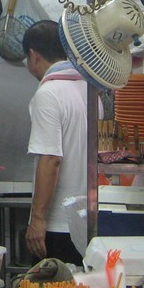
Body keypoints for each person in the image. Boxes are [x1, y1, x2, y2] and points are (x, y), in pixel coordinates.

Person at [22, 19, 88, 265]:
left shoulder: (48, 94)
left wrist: (38, 219)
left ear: (33, 55)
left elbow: (50, 159)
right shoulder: (87, 88)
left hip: (59, 224)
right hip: (87, 219)